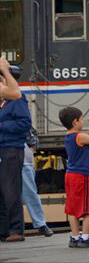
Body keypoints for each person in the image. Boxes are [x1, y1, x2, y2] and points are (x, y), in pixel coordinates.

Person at [59, 107, 89, 248]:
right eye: (81, 119)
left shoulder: (70, 136)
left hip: (71, 175)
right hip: (82, 176)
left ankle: (74, 237)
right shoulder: (79, 137)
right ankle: (85, 237)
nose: (83, 121)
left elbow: (88, 139)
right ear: (75, 122)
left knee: (72, 208)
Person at [0, 57, 30, 243]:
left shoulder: (16, 100)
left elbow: (24, 123)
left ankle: (16, 229)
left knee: (11, 190)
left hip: (11, 148)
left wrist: (1, 125)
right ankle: (4, 229)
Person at [22, 129, 53, 237]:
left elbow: (31, 131)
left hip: (23, 161)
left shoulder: (16, 114)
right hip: (13, 160)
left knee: (30, 193)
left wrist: (32, 146)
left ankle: (41, 224)